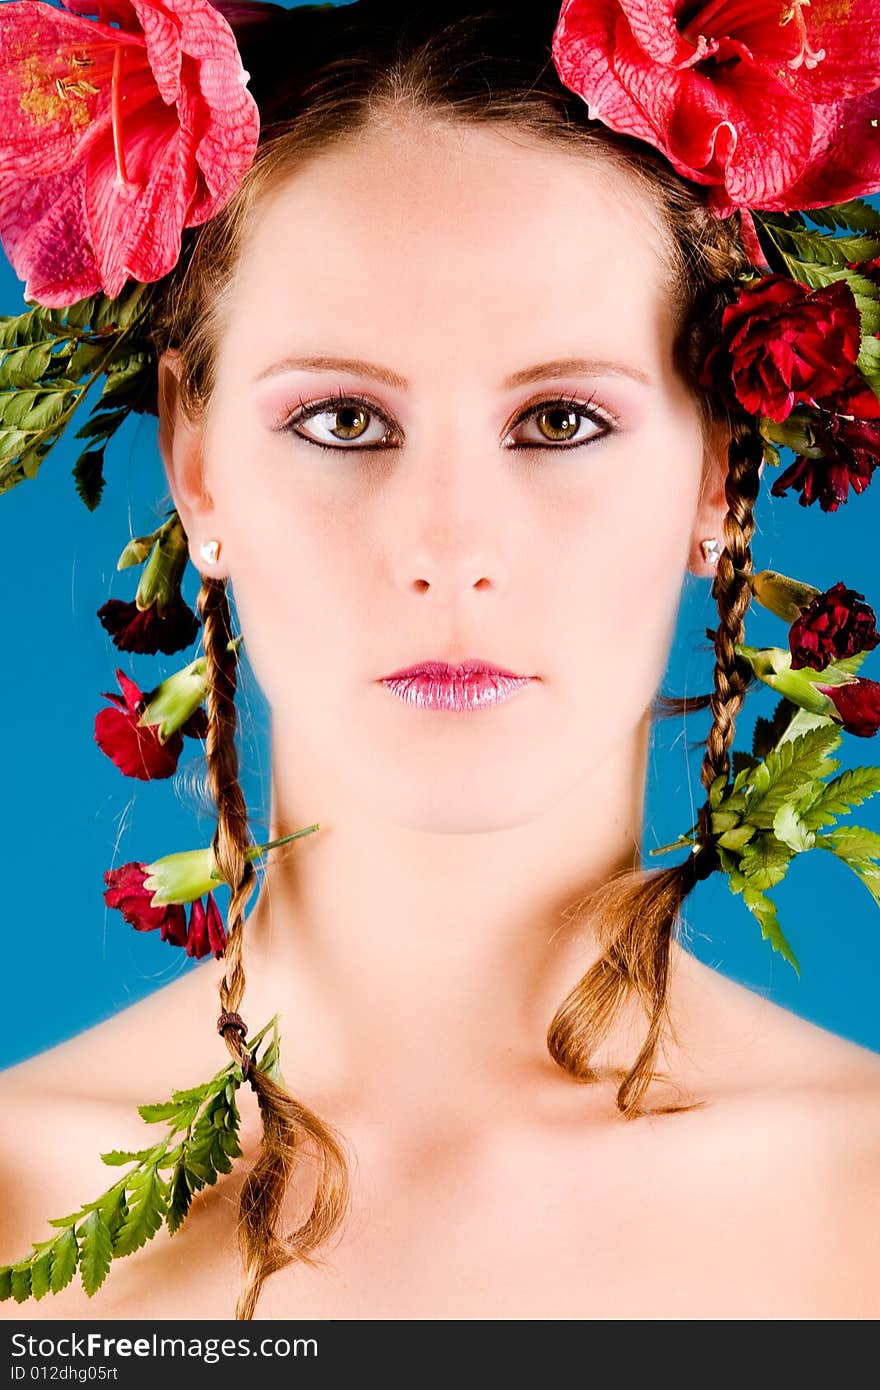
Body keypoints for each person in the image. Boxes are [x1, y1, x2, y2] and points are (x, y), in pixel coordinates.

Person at [1, 0, 880, 1322]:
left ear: (716, 463)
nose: (450, 547)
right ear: (194, 460)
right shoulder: (18, 1201)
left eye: (563, 417)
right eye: (344, 418)